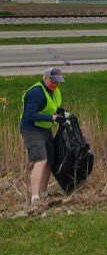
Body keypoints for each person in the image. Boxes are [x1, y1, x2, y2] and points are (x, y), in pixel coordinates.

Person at [19, 67, 67, 204]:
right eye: (52, 81)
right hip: (31, 129)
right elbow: (30, 115)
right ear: (45, 78)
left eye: (57, 82)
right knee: (41, 160)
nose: (55, 85)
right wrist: (52, 118)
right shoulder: (35, 93)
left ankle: (44, 193)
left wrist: (61, 114)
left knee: (49, 160)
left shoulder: (55, 91)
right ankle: (35, 197)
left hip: (45, 129)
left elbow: (53, 107)